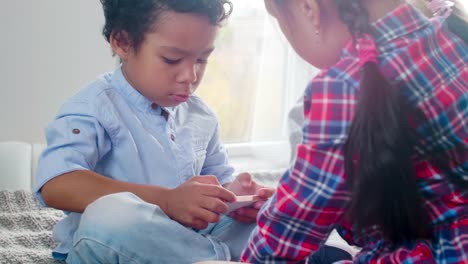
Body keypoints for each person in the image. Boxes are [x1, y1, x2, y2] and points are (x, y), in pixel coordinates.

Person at [34, 1, 276, 263]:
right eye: (171, 59)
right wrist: (168, 200)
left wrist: (237, 196)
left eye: (202, 59)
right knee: (110, 215)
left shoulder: (201, 115)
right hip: (120, 244)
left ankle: (212, 256)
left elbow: (217, 179)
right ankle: (222, 257)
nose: (190, 75)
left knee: (273, 218)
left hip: (187, 240)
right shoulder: (93, 107)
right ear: (122, 42)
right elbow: (57, 184)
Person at [242, 0, 467, 263]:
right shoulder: (452, 35)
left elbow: (291, 229)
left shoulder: (342, 86)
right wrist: (283, 199)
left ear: (309, 9)